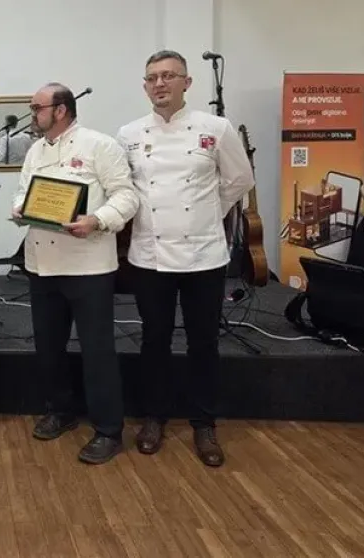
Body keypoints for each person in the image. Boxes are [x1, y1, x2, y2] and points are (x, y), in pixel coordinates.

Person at [117, 50, 254, 467]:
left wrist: (207, 211)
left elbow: (239, 180)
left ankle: (204, 422)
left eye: (168, 76)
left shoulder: (216, 128)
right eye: (152, 78)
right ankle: (154, 417)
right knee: (154, 339)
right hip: (150, 254)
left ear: (187, 83)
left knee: (204, 341)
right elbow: (124, 188)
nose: (159, 84)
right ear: (145, 86)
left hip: (203, 254)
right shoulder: (128, 133)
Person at [12, 83, 139, 464]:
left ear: (61, 110)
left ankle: (108, 429)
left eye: (37, 107)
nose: (32, 114)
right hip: (42, 265)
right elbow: (22, 193)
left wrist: (97, 220)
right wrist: (20, 209)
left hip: (89, 266)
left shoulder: (100, 145)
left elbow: (127, 196)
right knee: (49, 347)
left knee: (97, 351)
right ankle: (61, 410)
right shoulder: (35, 150)